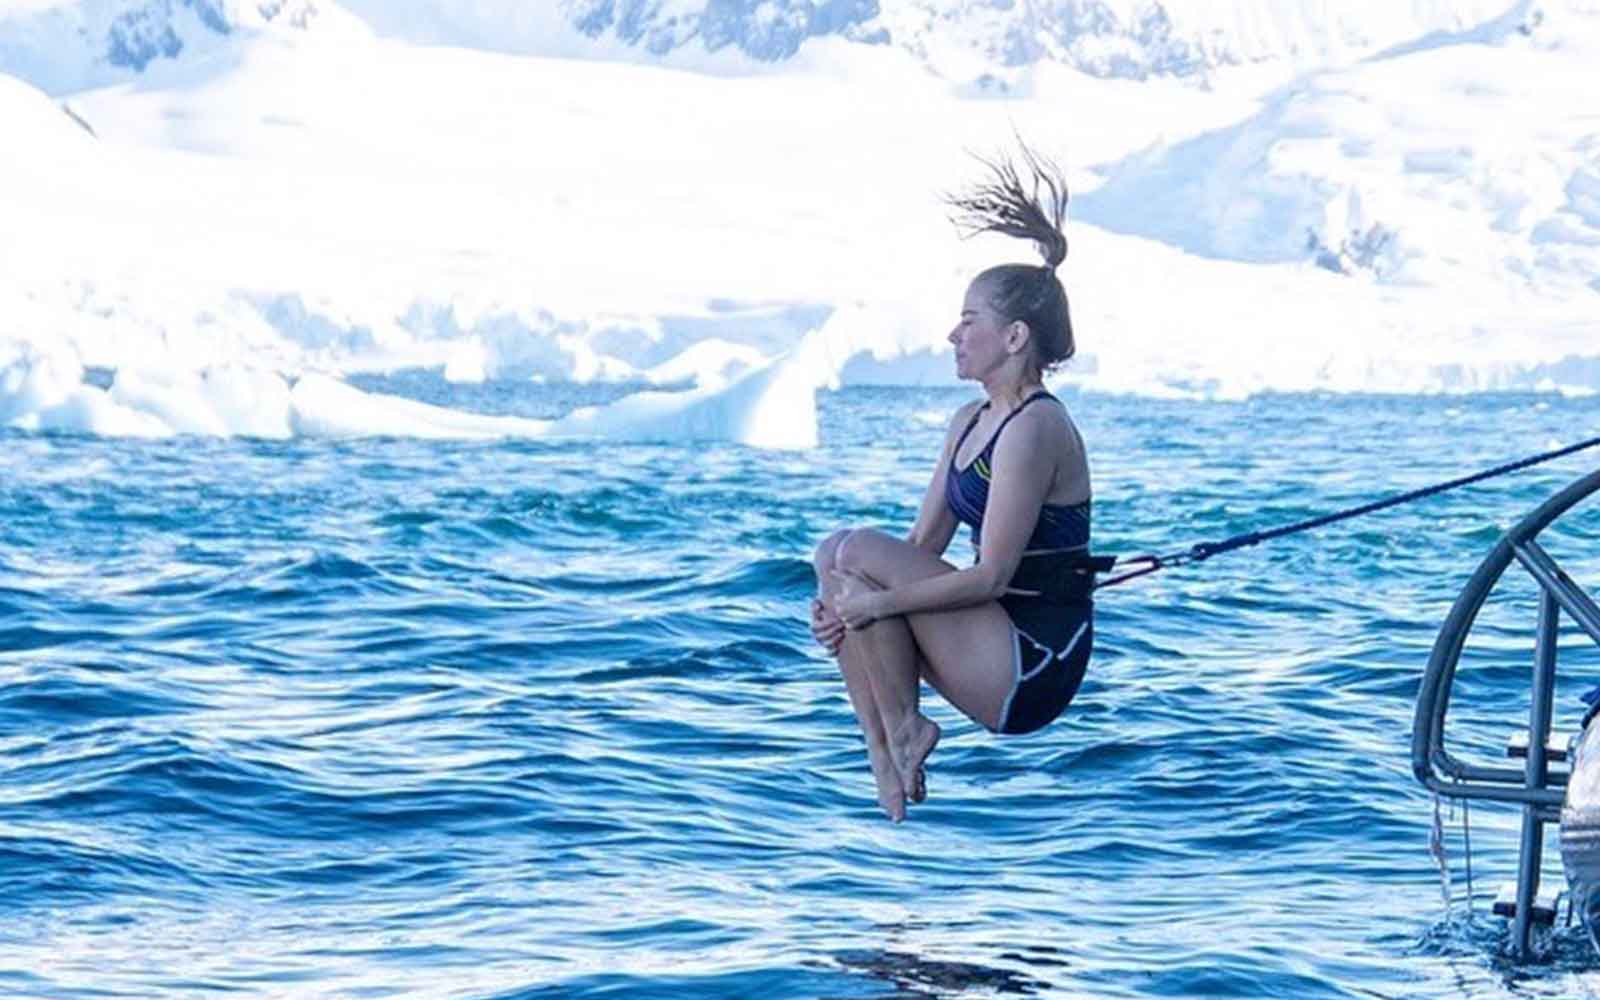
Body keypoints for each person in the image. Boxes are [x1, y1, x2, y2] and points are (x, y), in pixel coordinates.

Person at [809, 146, 1094, 823]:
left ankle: (902, 733)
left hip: (1032, 662)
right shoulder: (970, 419)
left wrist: (874, 611)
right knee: (839, 565)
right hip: (985, 640)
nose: (952, 335)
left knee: (851, 555)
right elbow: (919, 545)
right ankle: (886, 748)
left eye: (970, 322)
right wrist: (846, 610)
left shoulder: (1034, 428)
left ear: (1016, 336)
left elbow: (992, 577)